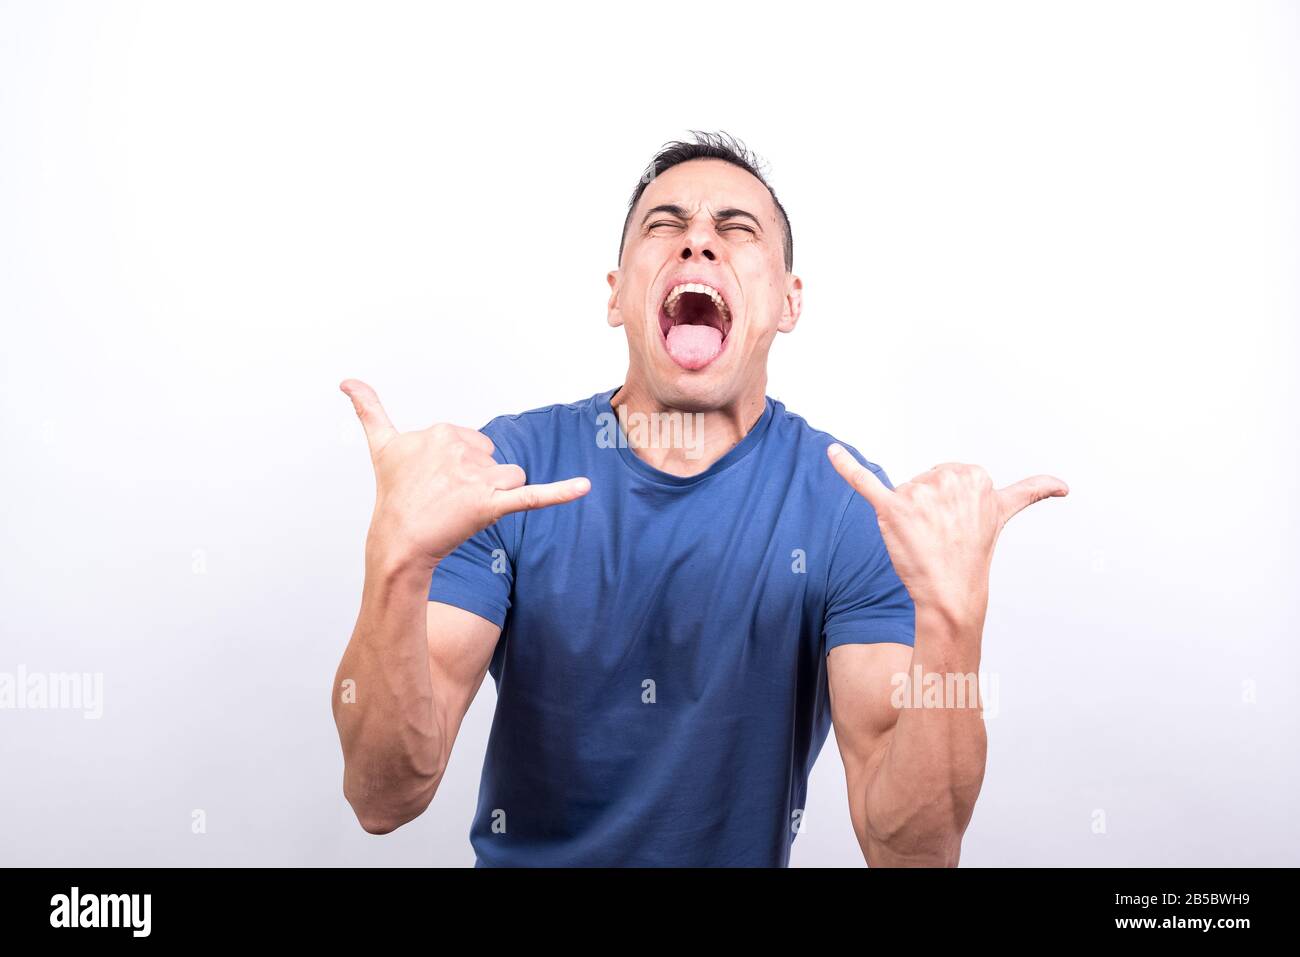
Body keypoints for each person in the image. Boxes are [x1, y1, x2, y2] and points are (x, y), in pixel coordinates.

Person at [330, 131, 1067, 867]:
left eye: (736, 229)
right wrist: (393, 563)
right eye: (665, 224)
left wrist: (952, 625)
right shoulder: (504, 476)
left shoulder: (849, 509)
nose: (699, 243)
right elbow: (383, 796)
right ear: (617, 295)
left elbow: (911, 852)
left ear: (788, 300)